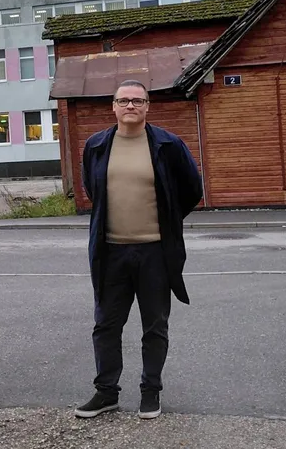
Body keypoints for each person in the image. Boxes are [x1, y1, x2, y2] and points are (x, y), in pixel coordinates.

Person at [73, 79, 204, 420]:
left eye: (138, 101)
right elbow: (91, 187)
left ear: (148, 106)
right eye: (124, 101)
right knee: (105, 325)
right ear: (113, 107)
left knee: (155, 326)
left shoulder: (168, 145)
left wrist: (168, 218)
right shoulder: (96, 145)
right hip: (111, 252)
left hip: (155, 253)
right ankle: (106, 393)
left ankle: (151, 392)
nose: (130, 106)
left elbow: (191, 188)